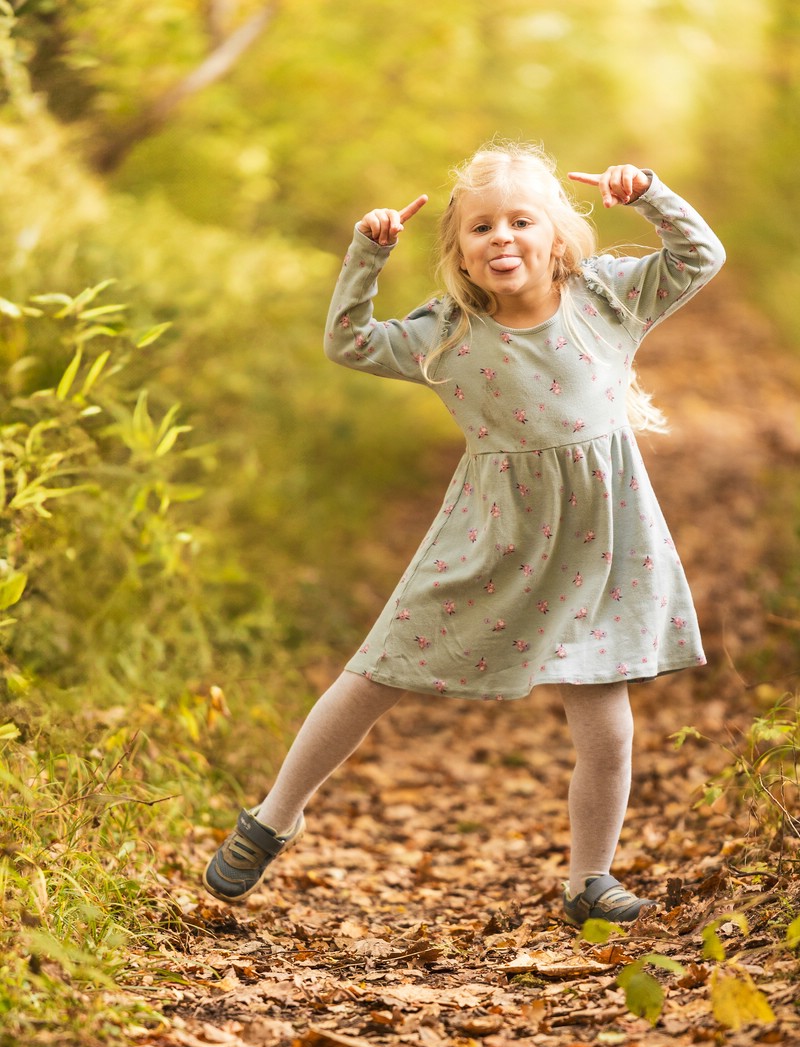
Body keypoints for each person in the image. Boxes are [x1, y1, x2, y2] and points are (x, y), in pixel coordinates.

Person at [204, 140, 725, 925]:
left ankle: (591, 881)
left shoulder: (607, 299)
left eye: (522, 220)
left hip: (599, 538)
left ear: (557, 236)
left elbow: (700, 256)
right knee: (377, 672)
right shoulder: (445, 332)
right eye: (482, 228)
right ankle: (274, 816)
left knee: (602, 710)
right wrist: (367, 255)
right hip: (494, 534)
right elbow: (348, 341)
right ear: (459, 254)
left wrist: (649, 192)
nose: (503, 237)